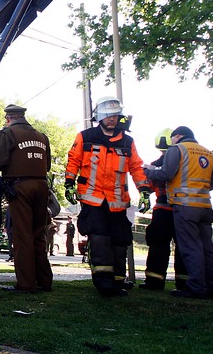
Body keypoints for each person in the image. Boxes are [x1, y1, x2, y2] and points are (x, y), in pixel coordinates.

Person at [64, 96, 151, 297]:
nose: (111, 119)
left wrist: (144, 190)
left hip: (118, 201)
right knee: (100, 238)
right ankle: (103, 281)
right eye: (107, 115)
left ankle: (118, 280)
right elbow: (73, 161)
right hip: (93, 198)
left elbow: (136, 167)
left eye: (115, 115)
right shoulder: (85, 137)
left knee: (120, 241)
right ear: (99, 117)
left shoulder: (127, 141)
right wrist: (69, 183)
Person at [143, 126, 213, 299]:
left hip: (184, 206)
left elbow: (166, 173)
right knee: (207, 248)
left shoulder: (177, 149)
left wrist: (147, 171)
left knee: (190, 248)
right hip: (205, 207)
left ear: (177, 136)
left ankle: (196, 288)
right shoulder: (207, 152)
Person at [0, 104, 53, 293]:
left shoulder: (7, 134)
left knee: (22, 235)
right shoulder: (42, 136)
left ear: (8, 118)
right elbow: (46, 165)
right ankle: (44, 281)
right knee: (38, 235)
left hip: (19, 187)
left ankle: (25, 284)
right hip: (41, 187)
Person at [139, 128, 188, 291]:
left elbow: (149, 186)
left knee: (158, 245)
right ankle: (184, 283)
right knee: (183, 246)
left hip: (163, 210)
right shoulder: (184, 165)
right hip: (181, 209)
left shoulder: (155, 166)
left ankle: (154, 281)